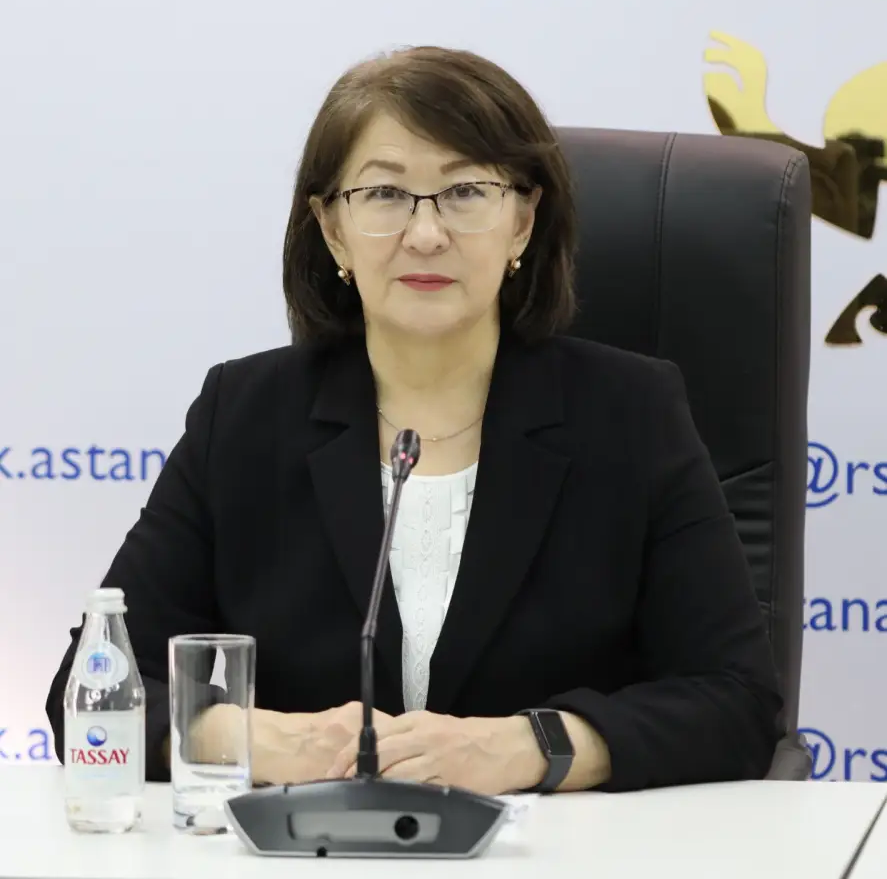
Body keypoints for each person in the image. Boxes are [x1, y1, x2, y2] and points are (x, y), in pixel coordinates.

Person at [46, 46, 783, 794]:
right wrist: (257, 740)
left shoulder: (630, 414)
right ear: (333, 228)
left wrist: (533, 746)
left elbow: (738, 701)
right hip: (309, 843)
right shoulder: (243, 415)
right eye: (384, 194)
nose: (426, 234)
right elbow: (92, 692)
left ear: (522, 222)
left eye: (465, 192)